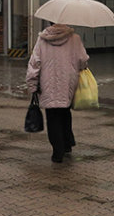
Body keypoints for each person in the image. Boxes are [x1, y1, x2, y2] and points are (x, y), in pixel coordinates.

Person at [25, 23, 89, 163]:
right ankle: (67, 144)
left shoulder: (42, 40)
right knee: (65, 111)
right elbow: (83, 60)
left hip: (48, 84)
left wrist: (32, 85)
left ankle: (57, 153)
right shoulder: (75, 38)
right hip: (68, 82)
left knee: (52, 116)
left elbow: (34, 64)